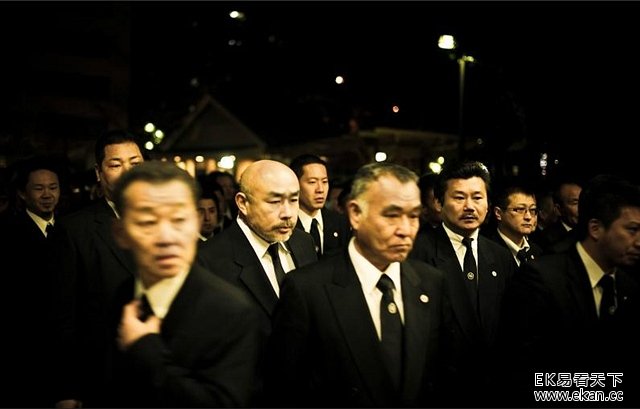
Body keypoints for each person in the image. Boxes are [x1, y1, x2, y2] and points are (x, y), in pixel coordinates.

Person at [265, 162, 450, 407]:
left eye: (414, 216)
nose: (405, 230)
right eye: (391, 215)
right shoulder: (307, 289)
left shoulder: (430, 283)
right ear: (355, 214)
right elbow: (285, 390)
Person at [108, 161, 262, 407]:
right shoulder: (124, 294)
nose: (166, 238)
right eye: (147, 222)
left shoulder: (230, 310)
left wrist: (147, 352)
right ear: (120, 233)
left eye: (179, 220)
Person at [499, 174, 640, 407]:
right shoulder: (541, 280)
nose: (638, 241)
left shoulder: (629, 286)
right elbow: (522, 375)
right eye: (632, 230)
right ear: (595, 228)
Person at [196, 159, 317, 403]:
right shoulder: (209, 262)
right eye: (274, 202)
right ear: (242, 203)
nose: (287, 213)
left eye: (294, 200)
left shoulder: (303, 243)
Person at [409, 161, 515, 406]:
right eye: (459, 197)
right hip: (440, 391)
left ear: (488, 204)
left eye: (477, 197)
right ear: (438, 203)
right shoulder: (417, 253)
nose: (469, 206)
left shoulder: (499, 256)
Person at [51, 129, 145, 408]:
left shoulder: (171, 220)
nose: (127, 172)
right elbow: (63, 315)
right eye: (116, 164)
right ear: (98, 173)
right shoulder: (75, 230)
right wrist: (67, 388)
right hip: (106, 377)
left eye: (135, 163)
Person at [1, 156, 62, 407]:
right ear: (23, 194)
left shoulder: (71, 227)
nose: (47, 194)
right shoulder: (8, 233)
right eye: (38, 188)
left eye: (53, 187)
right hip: (25, 346)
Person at [289, 154, 351, 258]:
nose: (320, 189)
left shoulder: (340, 223)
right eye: (312, 182)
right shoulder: (287, 225)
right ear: (295, 184)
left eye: (324, 182)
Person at [484, 184, 543, 267]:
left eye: (532, 210)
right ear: (498, 213)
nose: (528, 217)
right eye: (520, 209)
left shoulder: (538, 252)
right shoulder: (485, 251)